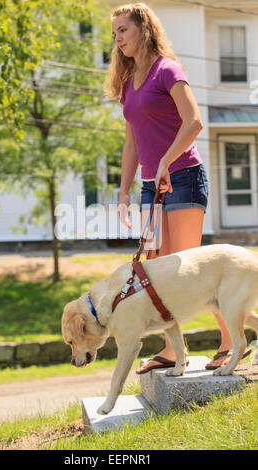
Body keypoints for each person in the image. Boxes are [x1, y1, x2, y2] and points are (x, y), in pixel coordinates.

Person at [104, 2, 251, 373]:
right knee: (153, 268)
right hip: (150, 187)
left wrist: (168, 160)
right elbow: (132, 143)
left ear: (143, 29)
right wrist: (124, 190)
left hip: (184, 176)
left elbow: (194, 121)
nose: (117, 38)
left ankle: (232, 341)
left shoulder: (166, 70)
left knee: (188, 269)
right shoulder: (128, 84)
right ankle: (172, 351)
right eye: (114, 33)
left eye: (123, 30)